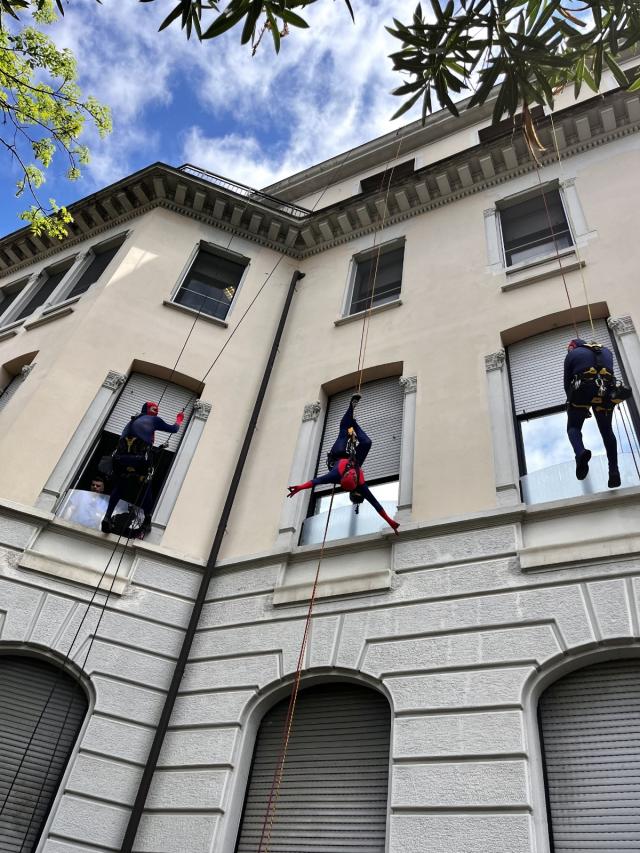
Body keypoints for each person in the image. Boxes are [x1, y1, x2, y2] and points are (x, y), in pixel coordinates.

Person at [287, 395, 400, 534]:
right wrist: (390, 522)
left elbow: (316, 481)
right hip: (354, 461)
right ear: (356, 480)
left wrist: (300, 487)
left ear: (343, 476)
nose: (352, 474)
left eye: (350, 474)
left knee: (343, 433)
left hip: (337, 457)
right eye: (353, 476)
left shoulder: (335, 475)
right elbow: (376, 504)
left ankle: (351, 408)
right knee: (367, 443)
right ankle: (354, 423)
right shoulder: (361, 484)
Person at [101, 401, 184, 535]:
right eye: (155, 409)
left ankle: (107, 516)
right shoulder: (154, 420)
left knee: (120, 485)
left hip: (120, 459)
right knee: (146, 486)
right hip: (139, 460)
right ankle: (147, 519)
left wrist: (160, 448)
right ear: (151, 410)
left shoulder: (132, 421)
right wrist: (179, 418)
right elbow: (174, 429)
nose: (156, 411)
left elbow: (139, 445)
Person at [564, 338, 621, 487]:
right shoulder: (607, 351)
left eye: (569, 347)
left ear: (574, 346)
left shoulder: (572, 354)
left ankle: (580, 452)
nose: (569, 350)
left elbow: (566, 383)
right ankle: (614, 471)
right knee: (607, 431)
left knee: (573, 427)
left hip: (582, 391)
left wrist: (575, 406)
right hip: (605, 393)